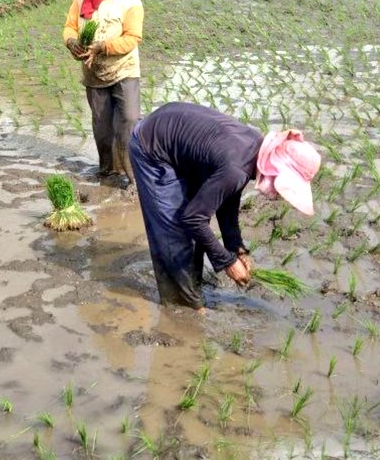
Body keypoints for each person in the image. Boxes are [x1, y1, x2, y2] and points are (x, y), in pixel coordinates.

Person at [128, 102, 321, 311]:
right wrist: (227, 262)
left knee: (195, 227)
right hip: (151, 147)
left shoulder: (251, 151)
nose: (278, 193)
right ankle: (180, 306)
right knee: (174, 233)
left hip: (175, 139)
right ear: (275, 168)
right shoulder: (235, 169)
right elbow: (193, 218)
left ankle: (192, 288)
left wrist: (236, 248)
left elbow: (227, 202)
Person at [63, 0, 144, 185]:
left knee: (129, 121)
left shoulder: (130, 0)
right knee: (102, 128)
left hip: (123, 69)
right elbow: (69, 26)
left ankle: (134, 177)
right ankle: (108, 173)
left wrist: (102, 47)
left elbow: (133, 38)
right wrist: (71, 43)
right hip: (94, 74)